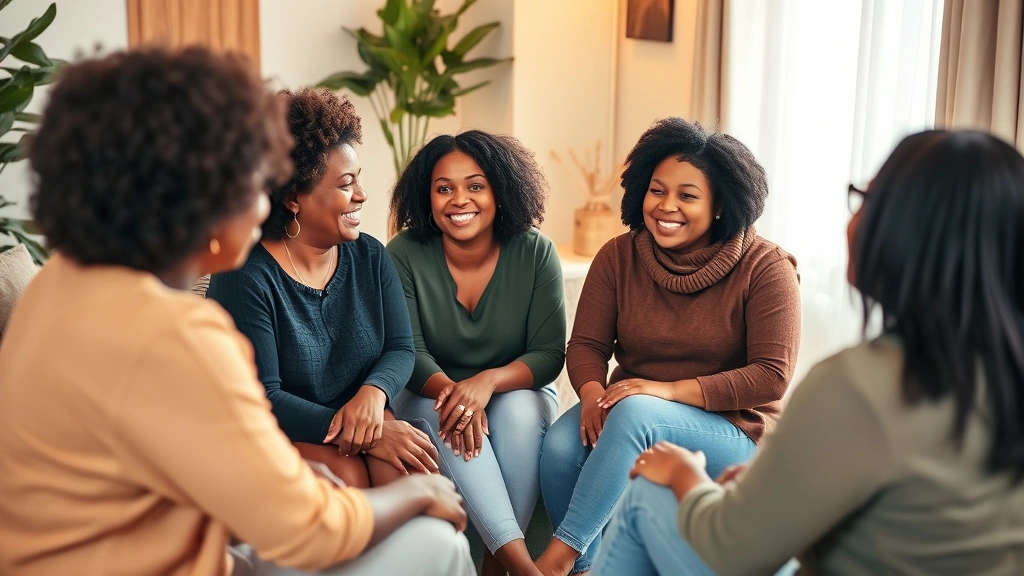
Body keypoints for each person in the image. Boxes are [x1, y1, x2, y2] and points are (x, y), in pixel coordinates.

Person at [0, 47, 473, 576]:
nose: (265, 196)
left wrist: (276, 481)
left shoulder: (57, 288)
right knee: (441, 542)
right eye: (256, 174)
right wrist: (423, 493)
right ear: (201, 193)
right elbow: (311, 532)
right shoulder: (180, 335)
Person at [594, 129, 1024, 576]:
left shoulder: (857, 383)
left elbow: (731, 550)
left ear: (906, 233)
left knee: (649, 495)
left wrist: (684, 472)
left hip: (733, 463)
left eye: (866, 200)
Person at [535, 118, 801, 575]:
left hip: (737, 429)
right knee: (562, 445)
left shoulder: (766, 267)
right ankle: (590, 569)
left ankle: (555, 563)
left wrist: (668, 390)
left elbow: (771, 376)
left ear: (720, 205)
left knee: (637, 412)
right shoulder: (618, 256)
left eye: (687, 195)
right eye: (657, 191)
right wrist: (594, 394)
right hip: (631, 410)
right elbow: (586, 345)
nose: (666, 206)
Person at [207, 88, 437, 490]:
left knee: (411, 475)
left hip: (361, 414)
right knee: (344, 480)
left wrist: (373, 395)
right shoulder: (245, 275)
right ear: (294, 198)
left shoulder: (370, 255)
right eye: (346, 184)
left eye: (359, 180)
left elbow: (400, 349)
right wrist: (372, 434)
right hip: (273, 427)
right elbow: (264, 396)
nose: (362, 195)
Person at [387, 131, 566, 576]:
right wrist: (456, 394)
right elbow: (408, 351)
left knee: (522, 412)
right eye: (443, 188)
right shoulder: (403, 254)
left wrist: (485, 383)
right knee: (453, 417)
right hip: (426, 392)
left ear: (499, 192)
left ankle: (493, 565)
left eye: (475, 186)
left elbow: (547, 354)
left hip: (515, 391)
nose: (458, 199)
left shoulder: (536, 251)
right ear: (426, 197)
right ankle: (524, 569)